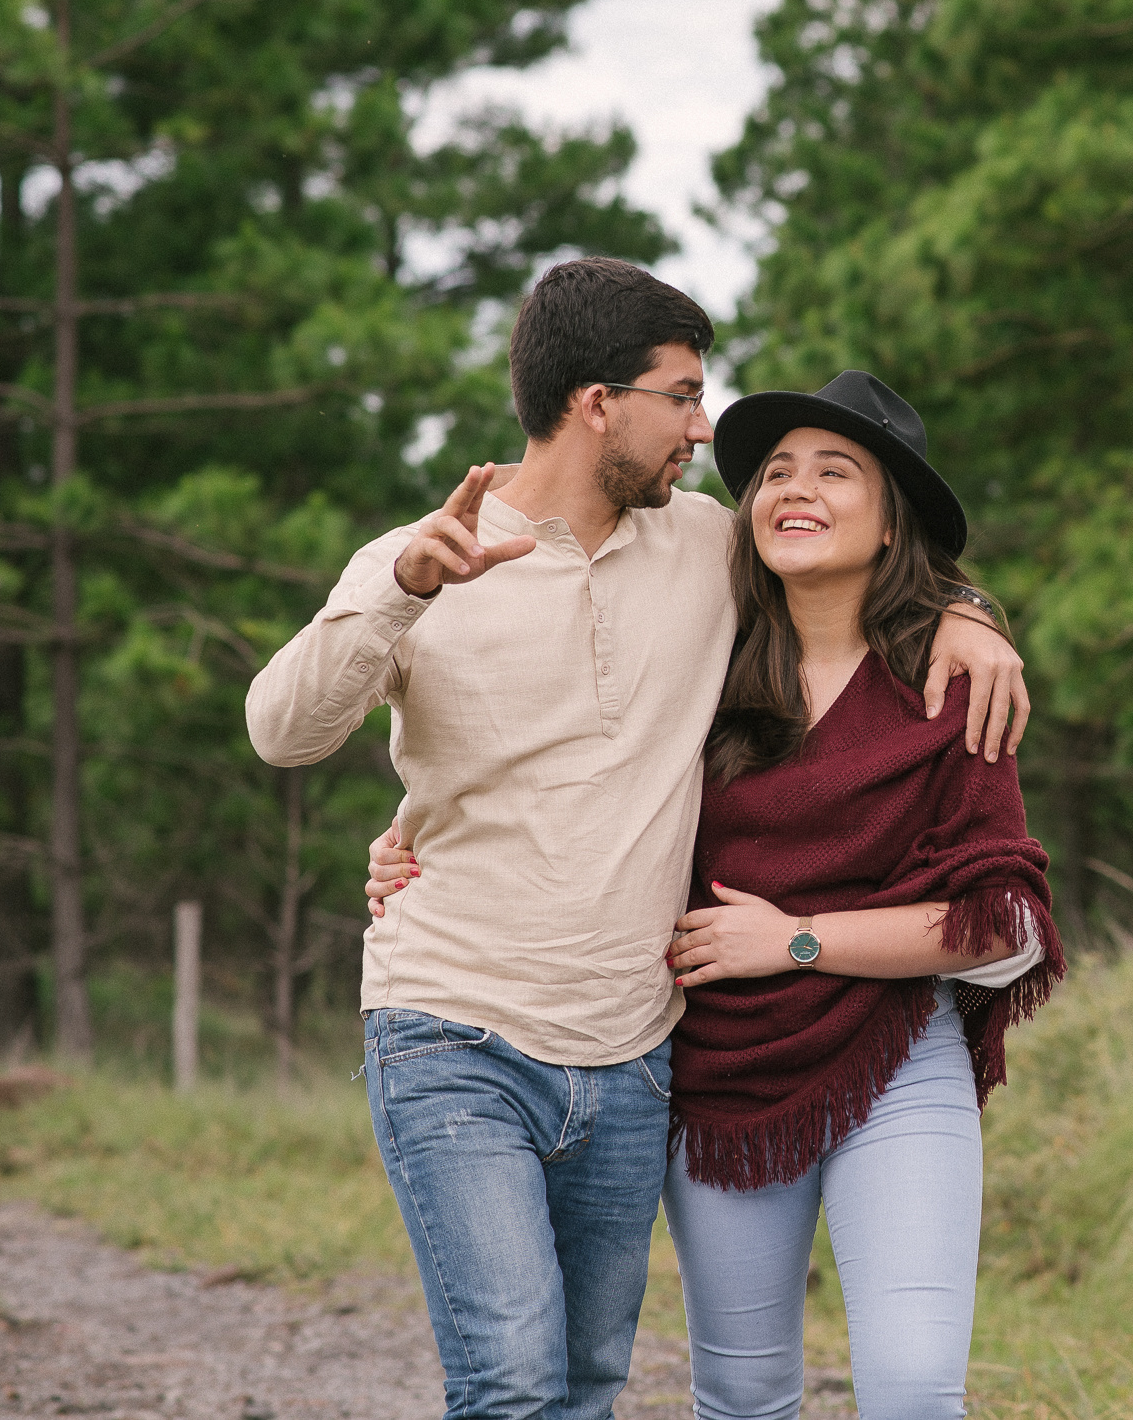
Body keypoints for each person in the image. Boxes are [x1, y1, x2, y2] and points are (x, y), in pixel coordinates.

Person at [245, 259, 1027, 1420]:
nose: (707, 432)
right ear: (598, 402)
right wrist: (407, 587)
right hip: (453, 1022)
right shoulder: (421, 557)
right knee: (512, 1377)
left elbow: (856, 564)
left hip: (630, 1054)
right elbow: (283, 731)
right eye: (684, 397)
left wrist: (975, 619)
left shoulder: (706, 550)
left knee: (586, 1385)